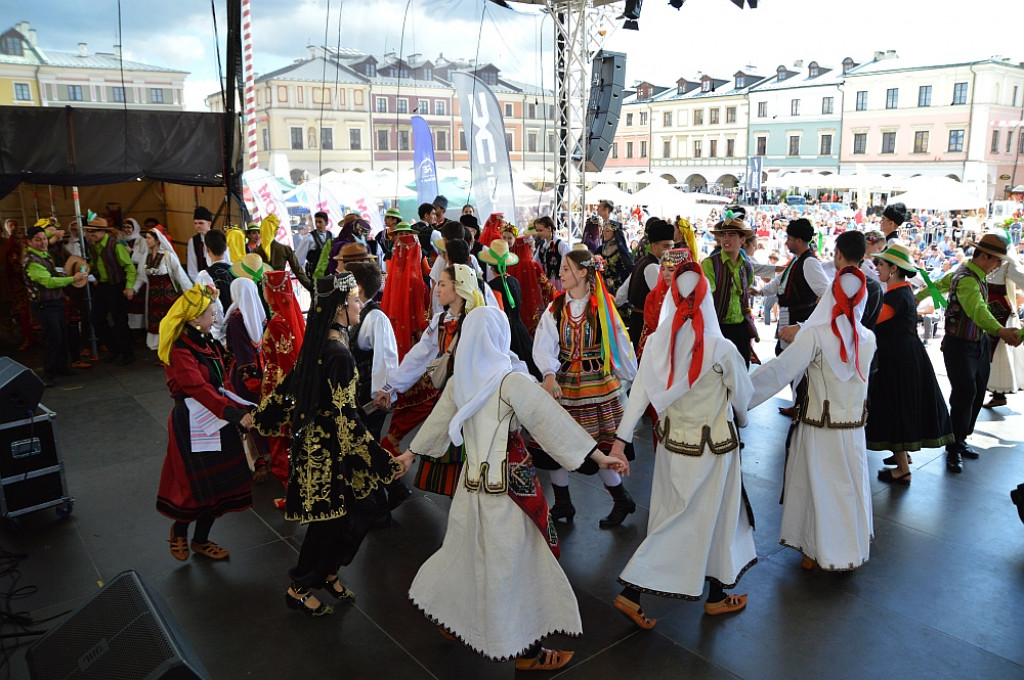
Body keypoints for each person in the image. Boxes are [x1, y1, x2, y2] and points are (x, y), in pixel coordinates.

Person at [397, 307, 626, 671]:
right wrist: (598, 457)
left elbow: (435, 427)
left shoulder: (461, 382)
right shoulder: (511, 382)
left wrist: (409, 455)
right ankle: (528, 655)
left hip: (470, 490)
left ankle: (452, 619)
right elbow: (552, 424)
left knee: (465, 555)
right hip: (509, 496)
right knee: (518, 566)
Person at [611, 261, 756, 625]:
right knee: (709, 519)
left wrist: (619, 442)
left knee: (671, 516)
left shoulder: (658, 344)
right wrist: (742, 420)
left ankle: (717, 593)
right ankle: (633, 589)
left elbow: (639, 394)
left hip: (673, 448)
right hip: (714, 451)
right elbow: (743, 396)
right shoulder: (720, 349)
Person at [254, 272, 405, 616]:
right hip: (328, 455)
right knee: (329, 524)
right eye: (354, 300)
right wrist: (383, 462)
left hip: (321, 447)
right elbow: (346, 420)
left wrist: (262, 418)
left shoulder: (323, 341)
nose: (359, 305)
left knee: (356, 513)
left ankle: (327, 571)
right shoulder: (337, 353)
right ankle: (300, 586)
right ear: (339, 307)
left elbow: (293, 386)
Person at [751, 268, 877, 569]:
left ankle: (813, 549)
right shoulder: (868, 338)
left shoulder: (816, 335)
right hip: (853, 431)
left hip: (818, 427)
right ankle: (847, 550)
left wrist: (734, 395)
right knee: (847, 487)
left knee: (818, 487)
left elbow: (779, 371)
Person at [533, 248, 639, 528]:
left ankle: (621, 499)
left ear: (583, 272)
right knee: (555, 444)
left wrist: (633, 383)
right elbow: (544, 343)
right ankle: (564, 503)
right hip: (564, 382)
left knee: (599, 448)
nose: (560, 274)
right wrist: (548, 373)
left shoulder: (601, 307)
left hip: (597, 387)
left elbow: (621, 346)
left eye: (566, 269)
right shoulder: (556, 307)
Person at [156, 284, 254, 561]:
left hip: (215, 417)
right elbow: (197, 388)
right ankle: (179, 531)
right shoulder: (179, 349)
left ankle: (201, 540)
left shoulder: (207, 341)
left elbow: (220, 383)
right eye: (211, 314)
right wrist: (232, 413)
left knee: (217, 485)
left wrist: (238, 408)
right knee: (194, 486)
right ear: (194, 318)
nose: (215, 318)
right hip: (191, 422)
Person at [377, 264, 486, 496]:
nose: (436, 289)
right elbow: (418, 356)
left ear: (459, 289)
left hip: (475, 402)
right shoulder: (440, 321)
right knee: (458, 469)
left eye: (443, 284)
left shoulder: (478, 320)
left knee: (476, 464)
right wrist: (391, 385)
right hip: (449, 399)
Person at [863, 242, 953, 483]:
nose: (877, 267)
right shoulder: (900, 292)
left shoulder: (897, 296)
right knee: (897, 408)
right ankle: (902, 461)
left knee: (896, 409)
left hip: (900, 360)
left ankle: (902, 469)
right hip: (902, 357)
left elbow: (871, 321)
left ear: (893, 269)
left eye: (881, 264)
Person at [941, 232, 1024, 472]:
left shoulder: (974, 276)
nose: (998, 265)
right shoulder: (966, 278)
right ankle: (953, 447)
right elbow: (978, 311)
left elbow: (941, 287)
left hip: (978, 344)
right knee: (965, 393)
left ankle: (961, 439)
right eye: (996, 260)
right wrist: (1001, 331)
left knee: (976, 393)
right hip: (959, 346)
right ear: (985, 256)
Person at [259, 270, 305, 507]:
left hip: (277, 385)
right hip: (286, 384)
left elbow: (285, 361)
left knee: (278, 441)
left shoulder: (277, 322)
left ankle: (293, 493)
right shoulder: (289, 317)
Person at [23, 226, 89, 386]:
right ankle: (48, 374)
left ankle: (61, 367)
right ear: (29, 242)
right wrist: (73, 279)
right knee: (53, 339)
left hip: (55, 303)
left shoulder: (45, 255)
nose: (42, 242)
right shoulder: (32, 262)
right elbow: (49, 282)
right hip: (44, 306)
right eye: (37, 240)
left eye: (43, 238)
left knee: (62, 336)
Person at [224, 277, 269, 479]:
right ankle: (269, 453)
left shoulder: (236, 318)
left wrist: (249, 379)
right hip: (262, 370)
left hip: (242, 374)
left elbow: (242, 351)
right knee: (259, 412)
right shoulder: (260, 313)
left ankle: (257, 461)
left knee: (245, 414)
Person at [479, 238, 541, 379]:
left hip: (507, 333)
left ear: (490, 265)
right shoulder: (514, 281)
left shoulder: (494, 285)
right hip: (520, 329)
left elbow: (500, 314)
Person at [701, 216, 757, 367]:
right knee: (718, 375)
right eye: (723, 235)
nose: (726, 239)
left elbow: (746, 290)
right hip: (717, 328)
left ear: (742, 240)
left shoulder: (747, 267)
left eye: (731, 235)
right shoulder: (709, 264)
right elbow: (707, 293)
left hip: (741, 329)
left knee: (742, 372)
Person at [84, 216, 137, 365]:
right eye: (89, 231)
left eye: (93, 232)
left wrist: (129, 287)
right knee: (96, 318)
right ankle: (114, 349)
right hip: (103, 285)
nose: (90, 234)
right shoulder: (93, 245)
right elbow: (93, 264)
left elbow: (130, 268)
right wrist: (93, 276)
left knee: (120, 321)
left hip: (117, 286)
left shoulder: (116, 246)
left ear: (102, 232)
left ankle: (127, 353)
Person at [135, 229, 192, 351]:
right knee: (156, 322)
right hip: (153, 298)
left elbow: (179, 274)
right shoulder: (146, 257)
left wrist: (190, 292)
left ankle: (172, 349)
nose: (146, 240)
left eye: (149, 238)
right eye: (146, 238)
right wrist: (133, 288)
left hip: (168, 297)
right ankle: (160, 349)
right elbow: (141, 276)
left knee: (169, 321)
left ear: (157, 240)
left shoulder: (167, 256)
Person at [625, 219, 677, 352]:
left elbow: (622, 292)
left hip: (636, 320)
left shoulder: (642, 262)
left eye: (672, 246)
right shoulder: (653, 267)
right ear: (654, 246)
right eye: (666, 246)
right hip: (645, 323)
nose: (670, 251)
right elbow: (664, 299)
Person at [257, 214, 313, 292]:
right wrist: (311, 287)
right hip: (281, 290)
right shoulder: (285, 249)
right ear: (275, 231)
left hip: (263, 291)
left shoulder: (256, 252)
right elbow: (298, 271)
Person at [530, 216, 570, 292]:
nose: (538, 233)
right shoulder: (541, 246)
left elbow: (566, 263)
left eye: (540, 230)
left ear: (549, 228)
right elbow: (535, 262)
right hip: (545, 282)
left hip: (557, 282)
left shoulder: (560, 245)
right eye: (537, 230)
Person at [186, 206, 221, 281]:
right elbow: (192, 267)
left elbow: (225, 261)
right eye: (195, 223)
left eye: (201, 223)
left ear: (209, 224)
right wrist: (199, 284)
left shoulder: (218, 238)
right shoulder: (193, 241)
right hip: (201, 282)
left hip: (218, 280)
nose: (197, 226)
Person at [204, 229, 233, 309]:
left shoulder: (204, 275)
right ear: (226, 248)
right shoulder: (237, 271)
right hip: (238, 319)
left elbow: (208, 303)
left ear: (207, 249)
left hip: (218, 319)